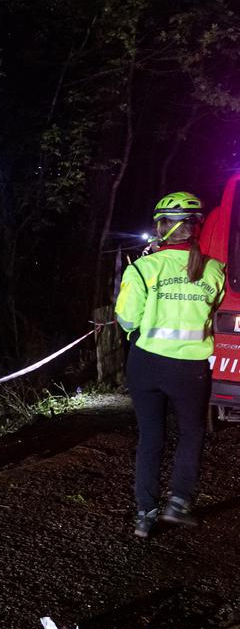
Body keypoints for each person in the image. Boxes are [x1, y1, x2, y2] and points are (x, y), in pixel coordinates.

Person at [115, 191, 224, 538]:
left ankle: (145, 513)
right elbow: (214, 310)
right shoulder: (215, 270)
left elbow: (127, 321)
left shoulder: (143, 268)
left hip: (146, 364)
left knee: (151, 437)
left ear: (161, 226)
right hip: (190, 369)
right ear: (196, 227)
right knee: (191, 434)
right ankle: (178, 503)